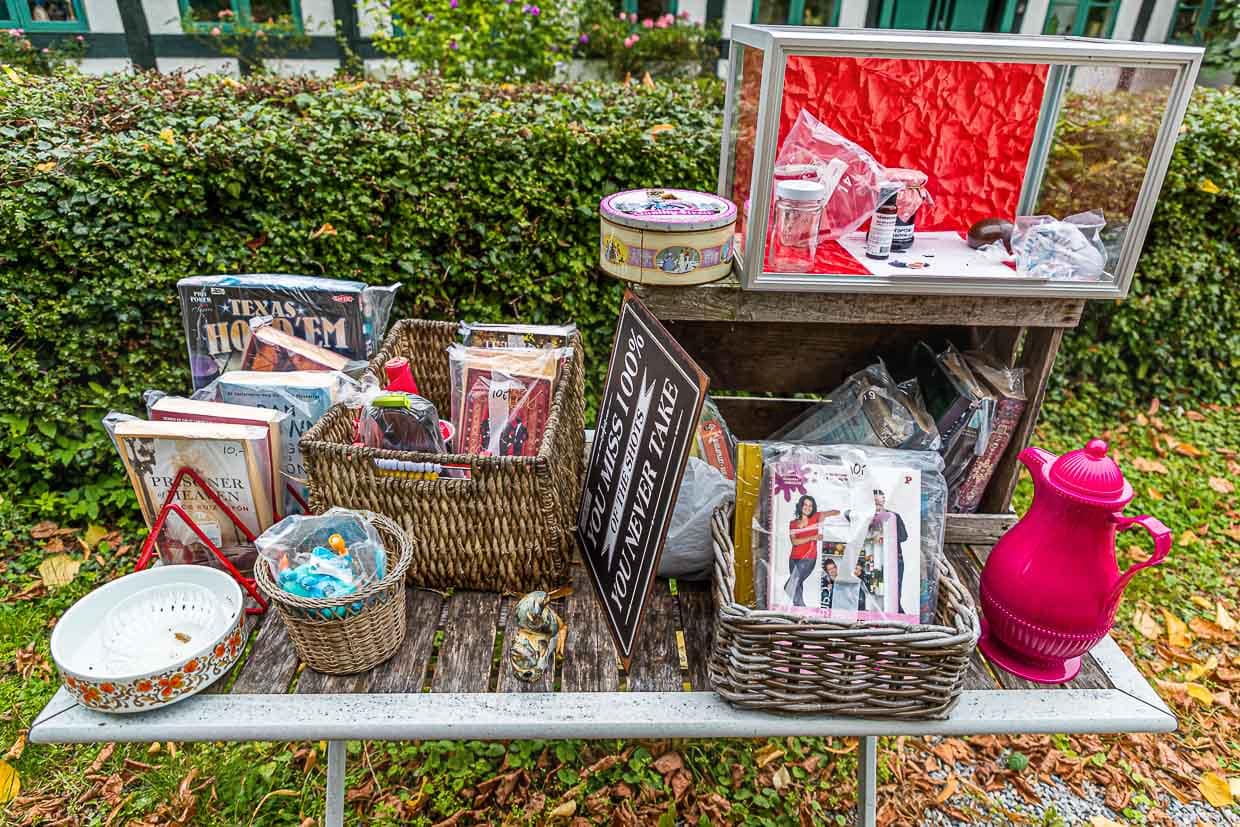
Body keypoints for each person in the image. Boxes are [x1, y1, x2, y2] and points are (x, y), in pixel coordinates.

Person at [783, 495, 840, 607]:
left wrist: (825, 518)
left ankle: (802, 610)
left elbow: (835, 512)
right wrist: (812, 538)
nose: (808, 508)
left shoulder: (816, 517)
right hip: (793, 559)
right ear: (801, 506)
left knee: (789, 586)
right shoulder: (793, 523)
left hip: (808, 558)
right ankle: (800, 613)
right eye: (805, 505)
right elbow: (794, 542)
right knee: (797, 587)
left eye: (810, 506)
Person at [872, 488, 910, 614]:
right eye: (875, 502)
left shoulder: (894, 516)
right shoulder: (866, 516)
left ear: (884, 501)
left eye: (880, 502)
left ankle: (898, 616)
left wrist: (885, 536)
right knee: (876, 591)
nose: (878, 505)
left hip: (895, 559)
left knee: (894, 593)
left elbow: (904, 537)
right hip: (873, 559)